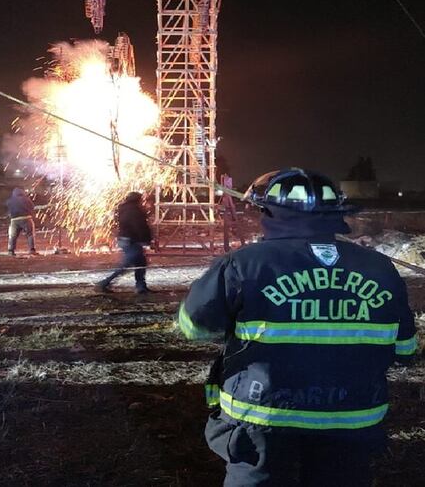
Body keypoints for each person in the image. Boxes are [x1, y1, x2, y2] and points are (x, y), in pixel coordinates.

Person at [178, 169, 417, 486]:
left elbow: (194, 325)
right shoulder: (379, 267)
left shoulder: (243, 263)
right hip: (352, 415)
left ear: (269, 212)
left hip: (262, 416)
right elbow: (405, 349)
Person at [97, 191, 152, 293]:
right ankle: (104, 283)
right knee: (126, 264)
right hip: (131, 241)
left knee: (141, 263)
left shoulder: (123, 209)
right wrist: (145, 240)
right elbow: (139, 227)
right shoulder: (135, 211)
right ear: (137, 200)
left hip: (126, 239)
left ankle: (141, 287)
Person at [5, 188, 37, 256]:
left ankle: (11, 251)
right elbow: (32, 207)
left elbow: (8, 207)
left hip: (14, 220)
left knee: (12, 236)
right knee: (30, 234)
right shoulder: (26, 199)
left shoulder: (10, 201)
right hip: (26, 218)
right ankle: (32, 250)